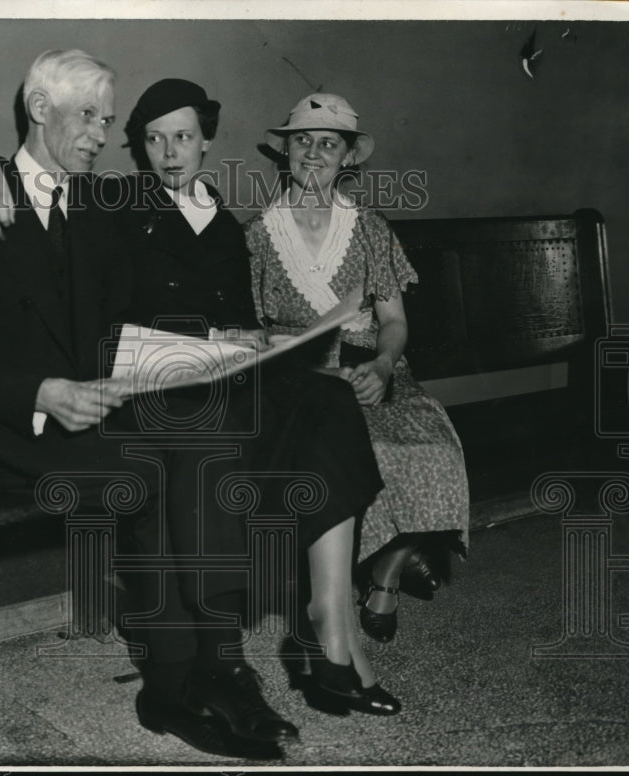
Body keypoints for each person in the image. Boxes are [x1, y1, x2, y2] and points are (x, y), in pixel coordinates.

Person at [0, 78, 402, 723]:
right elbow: (37, 189)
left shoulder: (228, 226)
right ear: (139, 149)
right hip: (154, 383)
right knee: (223, 430)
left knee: (328, 400)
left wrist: (255, 339)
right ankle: (226, 659)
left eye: (183, 136)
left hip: (225, 375)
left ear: (206, 143)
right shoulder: (115, 203)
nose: (170, 152)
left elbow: (240, 316)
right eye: (154, 138)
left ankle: (329, 624)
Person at [0, 50, 287, 760]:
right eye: (87, 117)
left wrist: (218, 341)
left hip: (92, 403)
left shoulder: (96, 204)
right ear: (39, 109)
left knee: (202, 437)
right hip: (4, 420)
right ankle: (172, 686)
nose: (101, 134)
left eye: (108, 120)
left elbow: (151, 282)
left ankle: (221, 663)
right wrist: (41, 394)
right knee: (146, 472)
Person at [244, 93, 471, 643]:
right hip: (300, 379)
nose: (315, 152)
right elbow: (249, 334)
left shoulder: (369, 228)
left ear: (348, 157)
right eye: (304, 140)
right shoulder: (257, 235)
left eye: (329, 143)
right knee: (357, 454)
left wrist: (386, 365)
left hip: (373, 372)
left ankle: (385, 576)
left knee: (430, 450)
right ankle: (369, 571)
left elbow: (394, 321)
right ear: (287, 152)